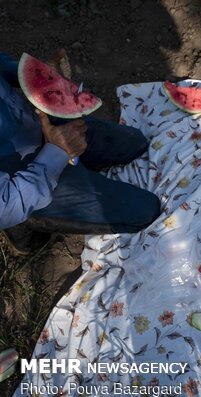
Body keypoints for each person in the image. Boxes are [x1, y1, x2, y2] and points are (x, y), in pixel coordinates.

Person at [0, 50, 160, 254]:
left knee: (135, 142)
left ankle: (78, 165)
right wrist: (57, 151)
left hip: (36, 122)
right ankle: (24, 225)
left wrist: (42, 77)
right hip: (23, 180)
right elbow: (4, 203)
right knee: (146, 210)